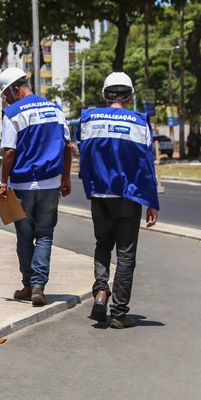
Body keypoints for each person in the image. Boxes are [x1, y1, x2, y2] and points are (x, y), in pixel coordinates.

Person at [75, 71, 159, 328]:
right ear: (130, 95)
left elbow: (83, 156)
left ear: (105, 94)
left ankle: (101, 290)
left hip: (99, 194)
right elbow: (147, 165)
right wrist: (152, 201)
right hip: (127, 196)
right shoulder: (139, 122)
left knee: (102, 245)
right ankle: (119, 312)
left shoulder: (88, 119)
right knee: (125, 254)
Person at [0, 68, 73, 307]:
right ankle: (39, 285)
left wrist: (3, 183)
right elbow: (67, 146)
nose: (7, 100)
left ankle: (29, 285)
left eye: (6, 95)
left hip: (22, 185)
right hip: (50, 184)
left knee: (24, 237)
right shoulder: (55, 109)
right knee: (45, 235)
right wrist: (66, 178)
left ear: (14, 89)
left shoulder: (13, 112)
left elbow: (9, 151)